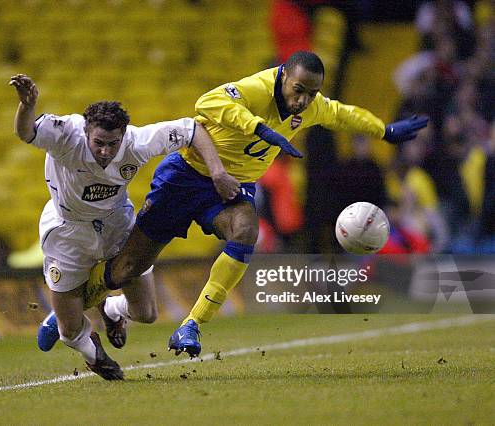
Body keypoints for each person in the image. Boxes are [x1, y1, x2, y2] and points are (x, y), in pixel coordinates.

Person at [85, 51, 429, 357]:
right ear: (282, 77)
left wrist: (384, 131)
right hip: (187, 175)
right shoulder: (256, 88)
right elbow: (206, 104)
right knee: (127, 268)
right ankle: (81, 305)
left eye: (312, 93)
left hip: (231, 188)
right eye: (299, 90)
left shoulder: (312, 105)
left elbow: (342, 114)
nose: (305, 101)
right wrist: (260, 129)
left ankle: (191, 324)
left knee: (245, 230)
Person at [9, 74, 239, 379]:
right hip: (68, 231)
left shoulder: (136, 142)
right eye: (99, 144)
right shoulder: (64, 133)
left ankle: (111, 310)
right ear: (86, 131)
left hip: (117, 226)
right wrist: (27, 106)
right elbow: (25, 132)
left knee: (146, 314)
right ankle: (94, 353)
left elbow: (192, 129)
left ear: (124, 135)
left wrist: (218, 172)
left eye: (112, 144)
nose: (105, 152)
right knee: (68, 329)